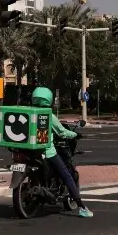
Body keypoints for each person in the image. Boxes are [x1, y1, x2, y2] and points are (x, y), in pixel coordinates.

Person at [31, 86, 93, 218]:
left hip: (30, 151)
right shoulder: (48, 116)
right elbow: (62, 132)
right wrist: (75, 135)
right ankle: (81, 206)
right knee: (66, 175)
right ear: (49, 100)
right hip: (47, 151)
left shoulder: (30, 113)